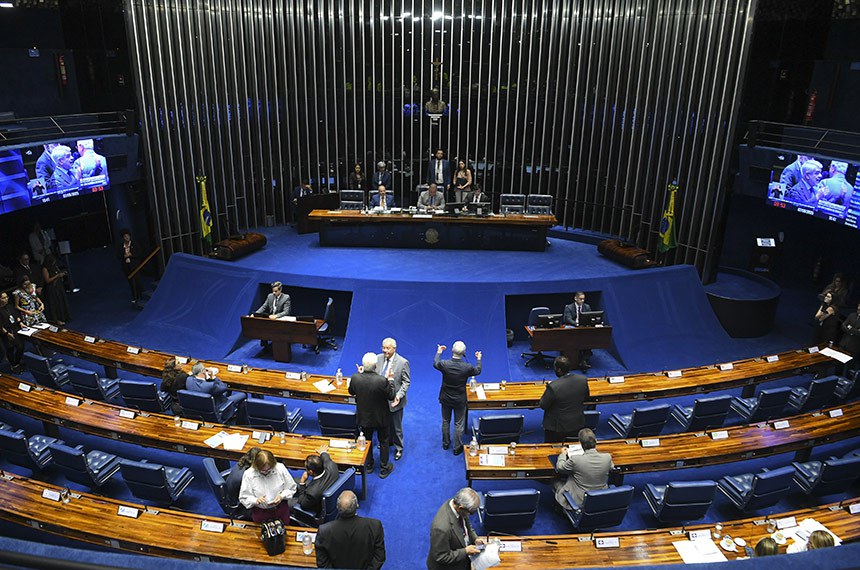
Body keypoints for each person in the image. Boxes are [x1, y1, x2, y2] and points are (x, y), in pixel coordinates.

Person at [349, 352, 396, 478]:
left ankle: (368, 465)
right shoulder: (382, 380)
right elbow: (391, 395)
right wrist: (391, 379)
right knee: (384, 441)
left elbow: (351, 391)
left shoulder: (355, 377)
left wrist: (359, 373)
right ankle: (384, 468)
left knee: (367, 440)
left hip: (364, 417)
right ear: (375, 366)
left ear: (363, 365)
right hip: (381, 417)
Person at [315, 490, 386, 570]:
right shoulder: (375, 526)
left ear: (337, 507)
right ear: (357, 506)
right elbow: (379, 557)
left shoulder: (324, 531)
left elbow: (322, 562)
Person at [434, 341, 482, 455]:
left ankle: (445, 443)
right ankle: (457, 447)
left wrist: (439, 352)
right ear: (464, 353)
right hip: (459, 400)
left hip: (445, 398)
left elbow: (435, 363)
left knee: (445, 421)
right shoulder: (467, 367)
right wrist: (479, 359)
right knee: (458, 423)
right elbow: (478, 370)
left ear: (452, 350)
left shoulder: (445, 364)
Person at [553, 428, 614, 509]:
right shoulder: (607, 457)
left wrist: (563, 454)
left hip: (579, 500)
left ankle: (559, 508)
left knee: (555, 482)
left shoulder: (575, 459)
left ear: (581, 444)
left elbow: (560, 468)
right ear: (596, 441)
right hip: (600, 497)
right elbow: (611, 467)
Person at [426, 487, 485, 570]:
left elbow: (467, 526)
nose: (469, 516)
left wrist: (475, 538)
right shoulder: (441, 528)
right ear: (461, 508)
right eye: (470, 513)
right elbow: (441, 557)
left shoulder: (457, 503)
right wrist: (465, 552)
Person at [238, 449, 296, 525]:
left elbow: (291, 488)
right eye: (262, 470)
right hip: (261, 513)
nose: (266, 472)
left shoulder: (280, 468)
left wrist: (281, 496)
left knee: (284, 531)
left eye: (269, 470)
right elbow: (244, 497)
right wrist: (256, 500)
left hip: (280, 509)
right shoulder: (249, 474)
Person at [540, 356, 589, 443]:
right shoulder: (582, 380)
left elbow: (543, 405)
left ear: (558, 370)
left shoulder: (553, 386)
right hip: (577, 423)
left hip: (557, 428)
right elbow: (586, 398)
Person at [377, 337, 410, 461]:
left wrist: (398, 396)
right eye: (383, 347)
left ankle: (399, 447)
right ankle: (387, 442)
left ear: (394, 348)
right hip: (381, 400)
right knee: (383, 424)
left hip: (395, 401)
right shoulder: (378, 358)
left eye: (387, 348)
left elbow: (406, 382)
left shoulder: (403, 362)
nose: (385, 350)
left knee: (396, 427)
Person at [289, 444, 339, 515]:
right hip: (326, 485)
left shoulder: (312, 493)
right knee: (294, 480)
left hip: (315, 503)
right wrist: (323, 452)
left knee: (286, 502)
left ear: (310, 472)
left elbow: (302, 503)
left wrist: (302, 482)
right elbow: (326, 458)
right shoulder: (332, 465)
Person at [226, 446, 261, 517]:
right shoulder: (244, 476)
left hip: (232, 494)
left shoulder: (242, 463)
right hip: (239, 503)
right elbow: (246, 496)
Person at [563, 291, 594, 370]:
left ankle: (584, 359)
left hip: (583, 329)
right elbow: (568, 319)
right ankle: (579, 360)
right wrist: (577, 324)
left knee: (589, 339)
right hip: (573, 328)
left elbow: (589, 317)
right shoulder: (569, 307)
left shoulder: (587, 307)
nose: (582, 301)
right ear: (575, 298)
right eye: (580, 299)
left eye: (583, 299)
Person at [40, 254, 69, 326]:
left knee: (61, 301)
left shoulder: (54, 266)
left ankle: (64, 316)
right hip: (51, 289)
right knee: (55, 304)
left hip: (59, 287)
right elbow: (47, 280)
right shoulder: (45, 269)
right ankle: (57, 319)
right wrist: (57, 276)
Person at [0, 291, 25, 372]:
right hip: (6, 331)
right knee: (10, 348)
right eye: (3, 298)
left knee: (20, 347)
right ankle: (13, 365)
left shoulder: (10, 306)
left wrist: (20, 322)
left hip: (15, 328)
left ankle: (17, 362)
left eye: (6, 297)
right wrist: (7, 334)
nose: (6, 299)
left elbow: (16, 315)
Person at [118, 229, 142, 302]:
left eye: (128, 236)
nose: (127, 238)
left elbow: (139, 253)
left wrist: (131, 255)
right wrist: (123, 256)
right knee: (130, 282)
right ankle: (134, 296)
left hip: (134, 265)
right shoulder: (120, 246)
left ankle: (140, 294)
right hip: (126, 266)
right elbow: (118, 255)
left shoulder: (134, 244)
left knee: (137, 281)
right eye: (125, 236)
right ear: (123, 238)